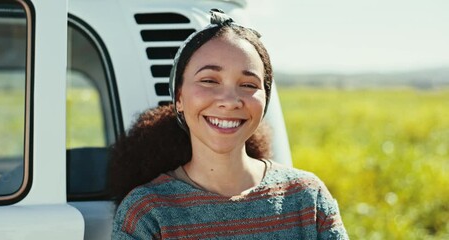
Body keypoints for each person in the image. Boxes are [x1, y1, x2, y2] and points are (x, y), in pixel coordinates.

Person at [111, 9, 348, 239]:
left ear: (264, 101)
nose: (230, 101)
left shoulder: (306, 197)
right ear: (179, 97)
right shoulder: (147, 212)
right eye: (209, 80)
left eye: (248, 85)